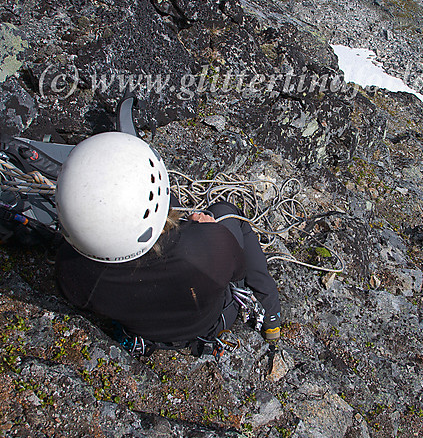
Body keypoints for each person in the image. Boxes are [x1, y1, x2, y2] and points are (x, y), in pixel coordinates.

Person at [54, 132, 281, 356]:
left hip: (143, 330)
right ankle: (271, 313)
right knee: (225, 212)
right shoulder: (213, 244)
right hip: (210, 323)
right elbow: (237, 271)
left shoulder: (72, 272)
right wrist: (209, 229)